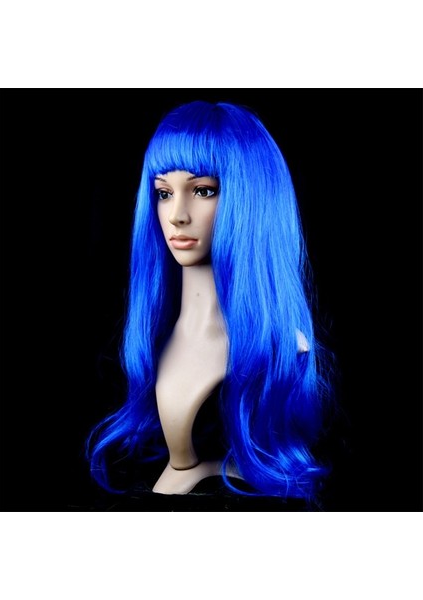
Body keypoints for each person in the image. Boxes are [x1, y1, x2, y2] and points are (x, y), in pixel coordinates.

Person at [86, 100, 335, 505]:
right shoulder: (154, 334)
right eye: (164, 193)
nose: (176, 215)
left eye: (203, 190)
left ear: (250, 198)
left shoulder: (282, 346)